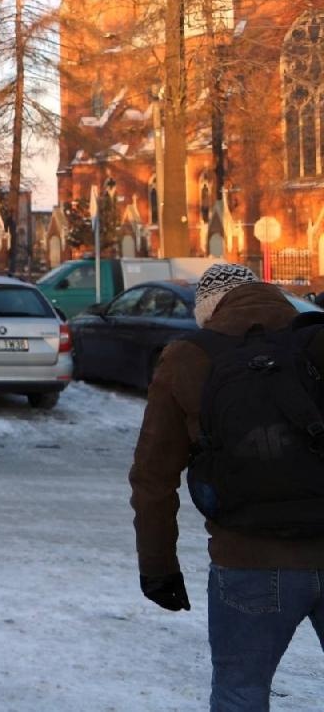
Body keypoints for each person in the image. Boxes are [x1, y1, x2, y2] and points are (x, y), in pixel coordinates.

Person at [130, 263, 324, 710]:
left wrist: (158, 568)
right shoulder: (316, 340)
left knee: (241, 692)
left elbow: (153, 478)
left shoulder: (187, 357)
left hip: (249, 560)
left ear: (210, 311)